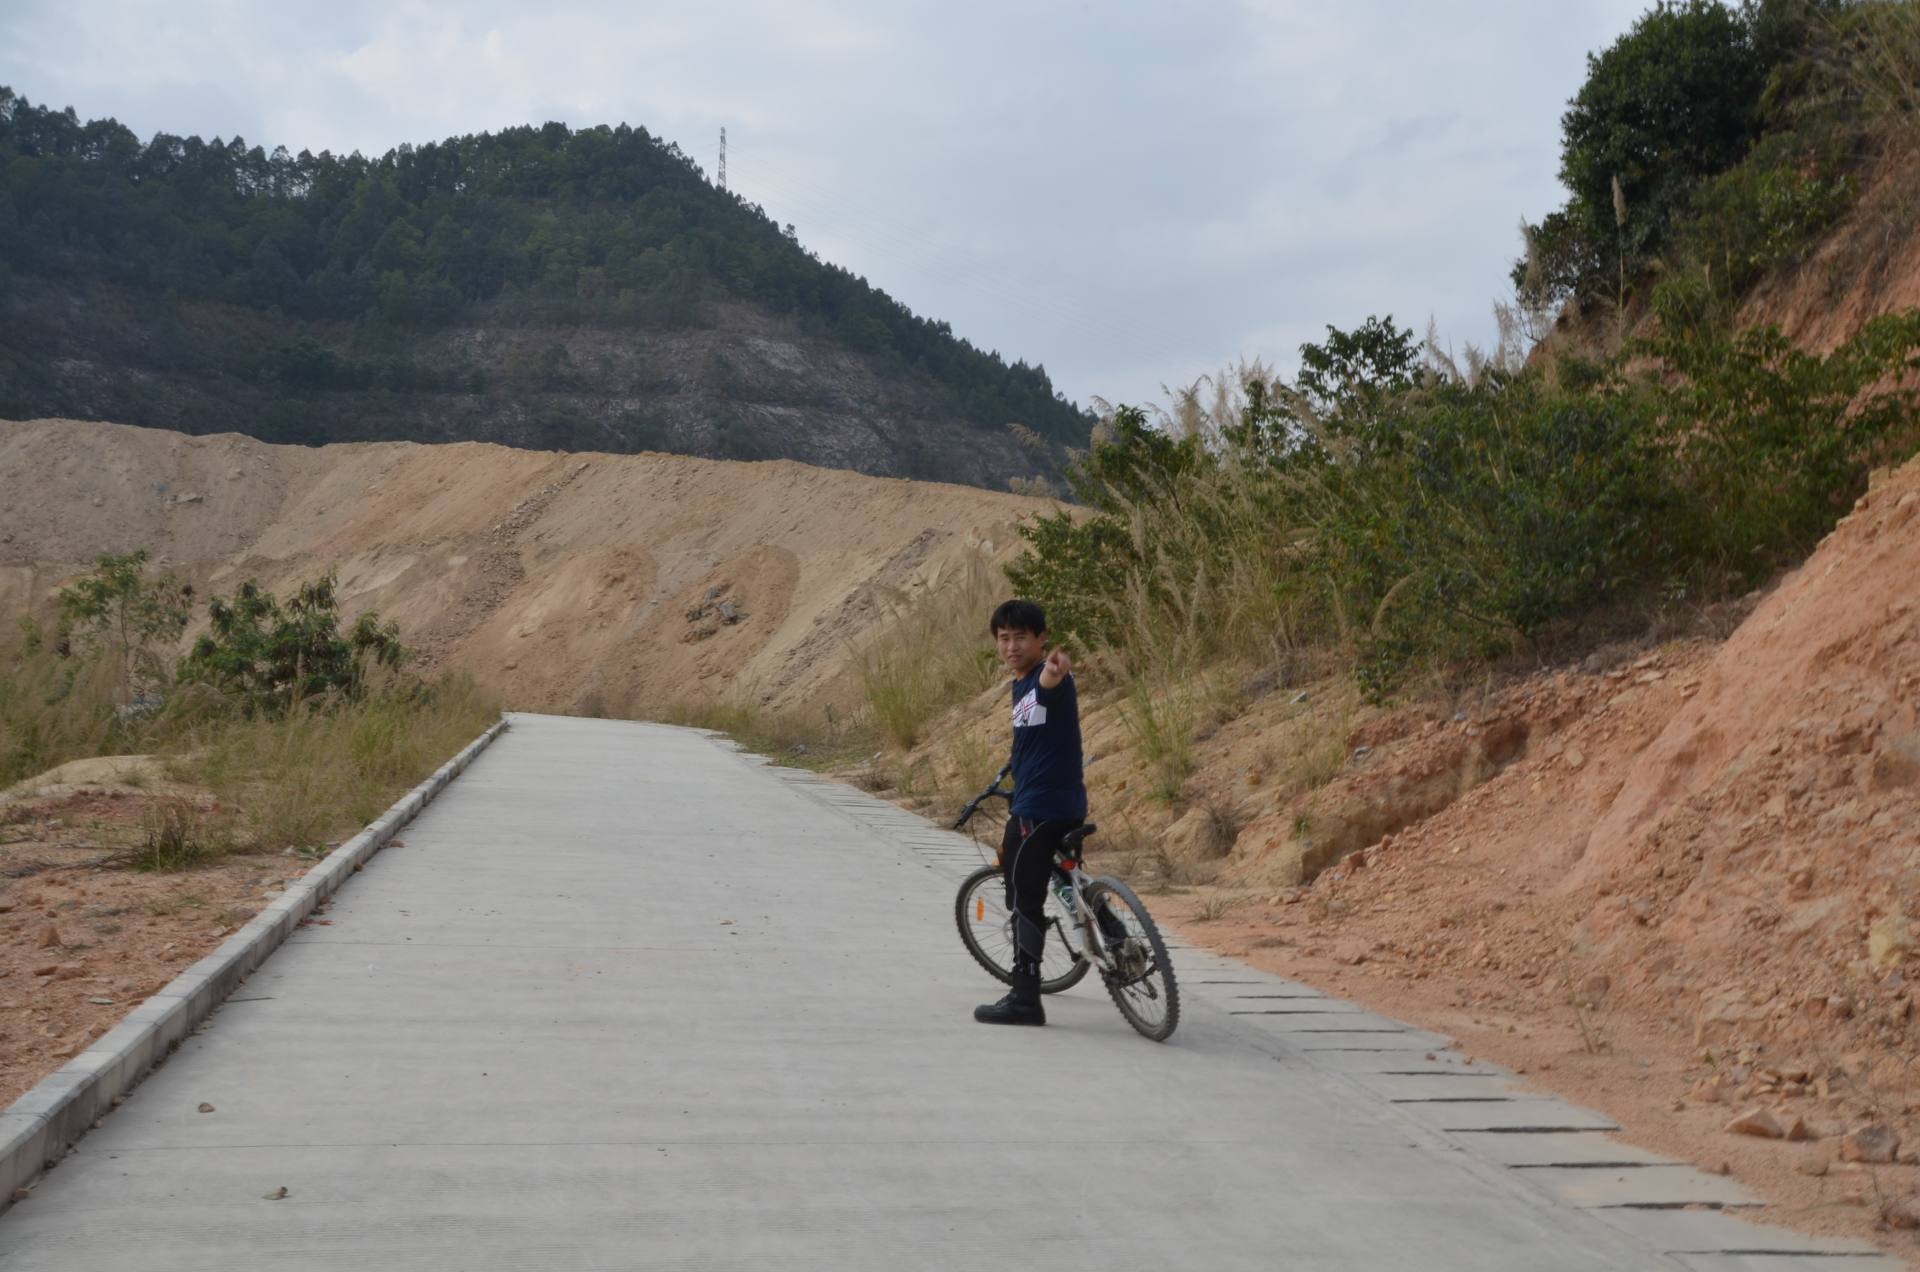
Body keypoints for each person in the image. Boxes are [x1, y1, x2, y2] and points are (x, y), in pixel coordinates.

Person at [974, 598, 1085, 1027]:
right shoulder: (1019, 685)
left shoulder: (1043, 676)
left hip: (1038, 809)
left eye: (1022, 637)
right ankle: (1112, 938)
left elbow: (1053, 678)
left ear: (1041, 640)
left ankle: (1025, 998)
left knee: (1025, 901)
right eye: (1004, 638)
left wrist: (1056, 669)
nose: (1012, 646)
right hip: (1061, 801)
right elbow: (1034, 736)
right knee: (1065, 885)